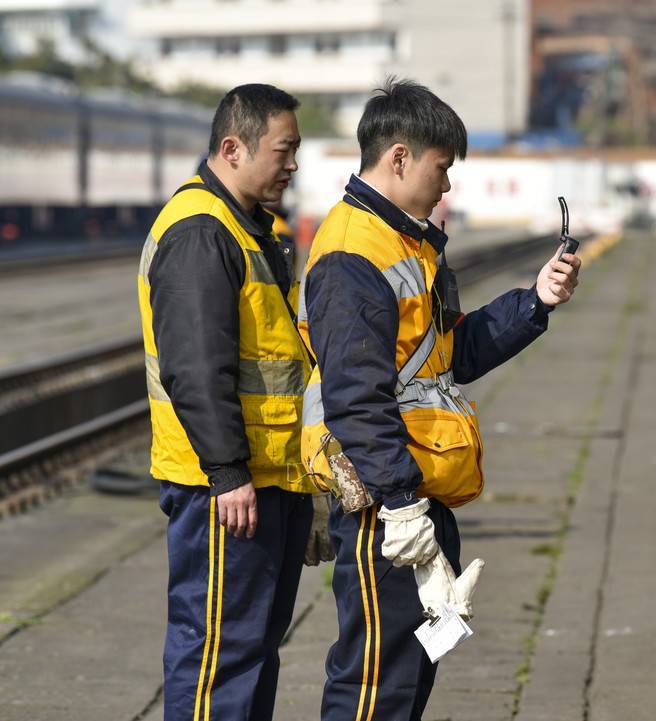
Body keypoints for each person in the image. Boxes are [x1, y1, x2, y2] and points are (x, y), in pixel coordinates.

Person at [298, 78, 581, 721]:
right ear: (398, 158)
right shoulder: (352, 256)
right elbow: (356, 399)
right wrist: (400, 506)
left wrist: (534, 301)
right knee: (374, 680)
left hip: (414, 493)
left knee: (409, 672)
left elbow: (449, 357)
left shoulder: (407, 245)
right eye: (441, 167)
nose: (447, 184)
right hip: (382, 506)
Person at [137, 83, 322, 721]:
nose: (293, 163)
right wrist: (228, 473)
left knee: (250, 653)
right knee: (218, 656)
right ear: (233, 148)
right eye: (284, 148)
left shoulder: (247, 229)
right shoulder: (199, 233)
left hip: (265, 479)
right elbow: (194, 368)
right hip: (226, 488)